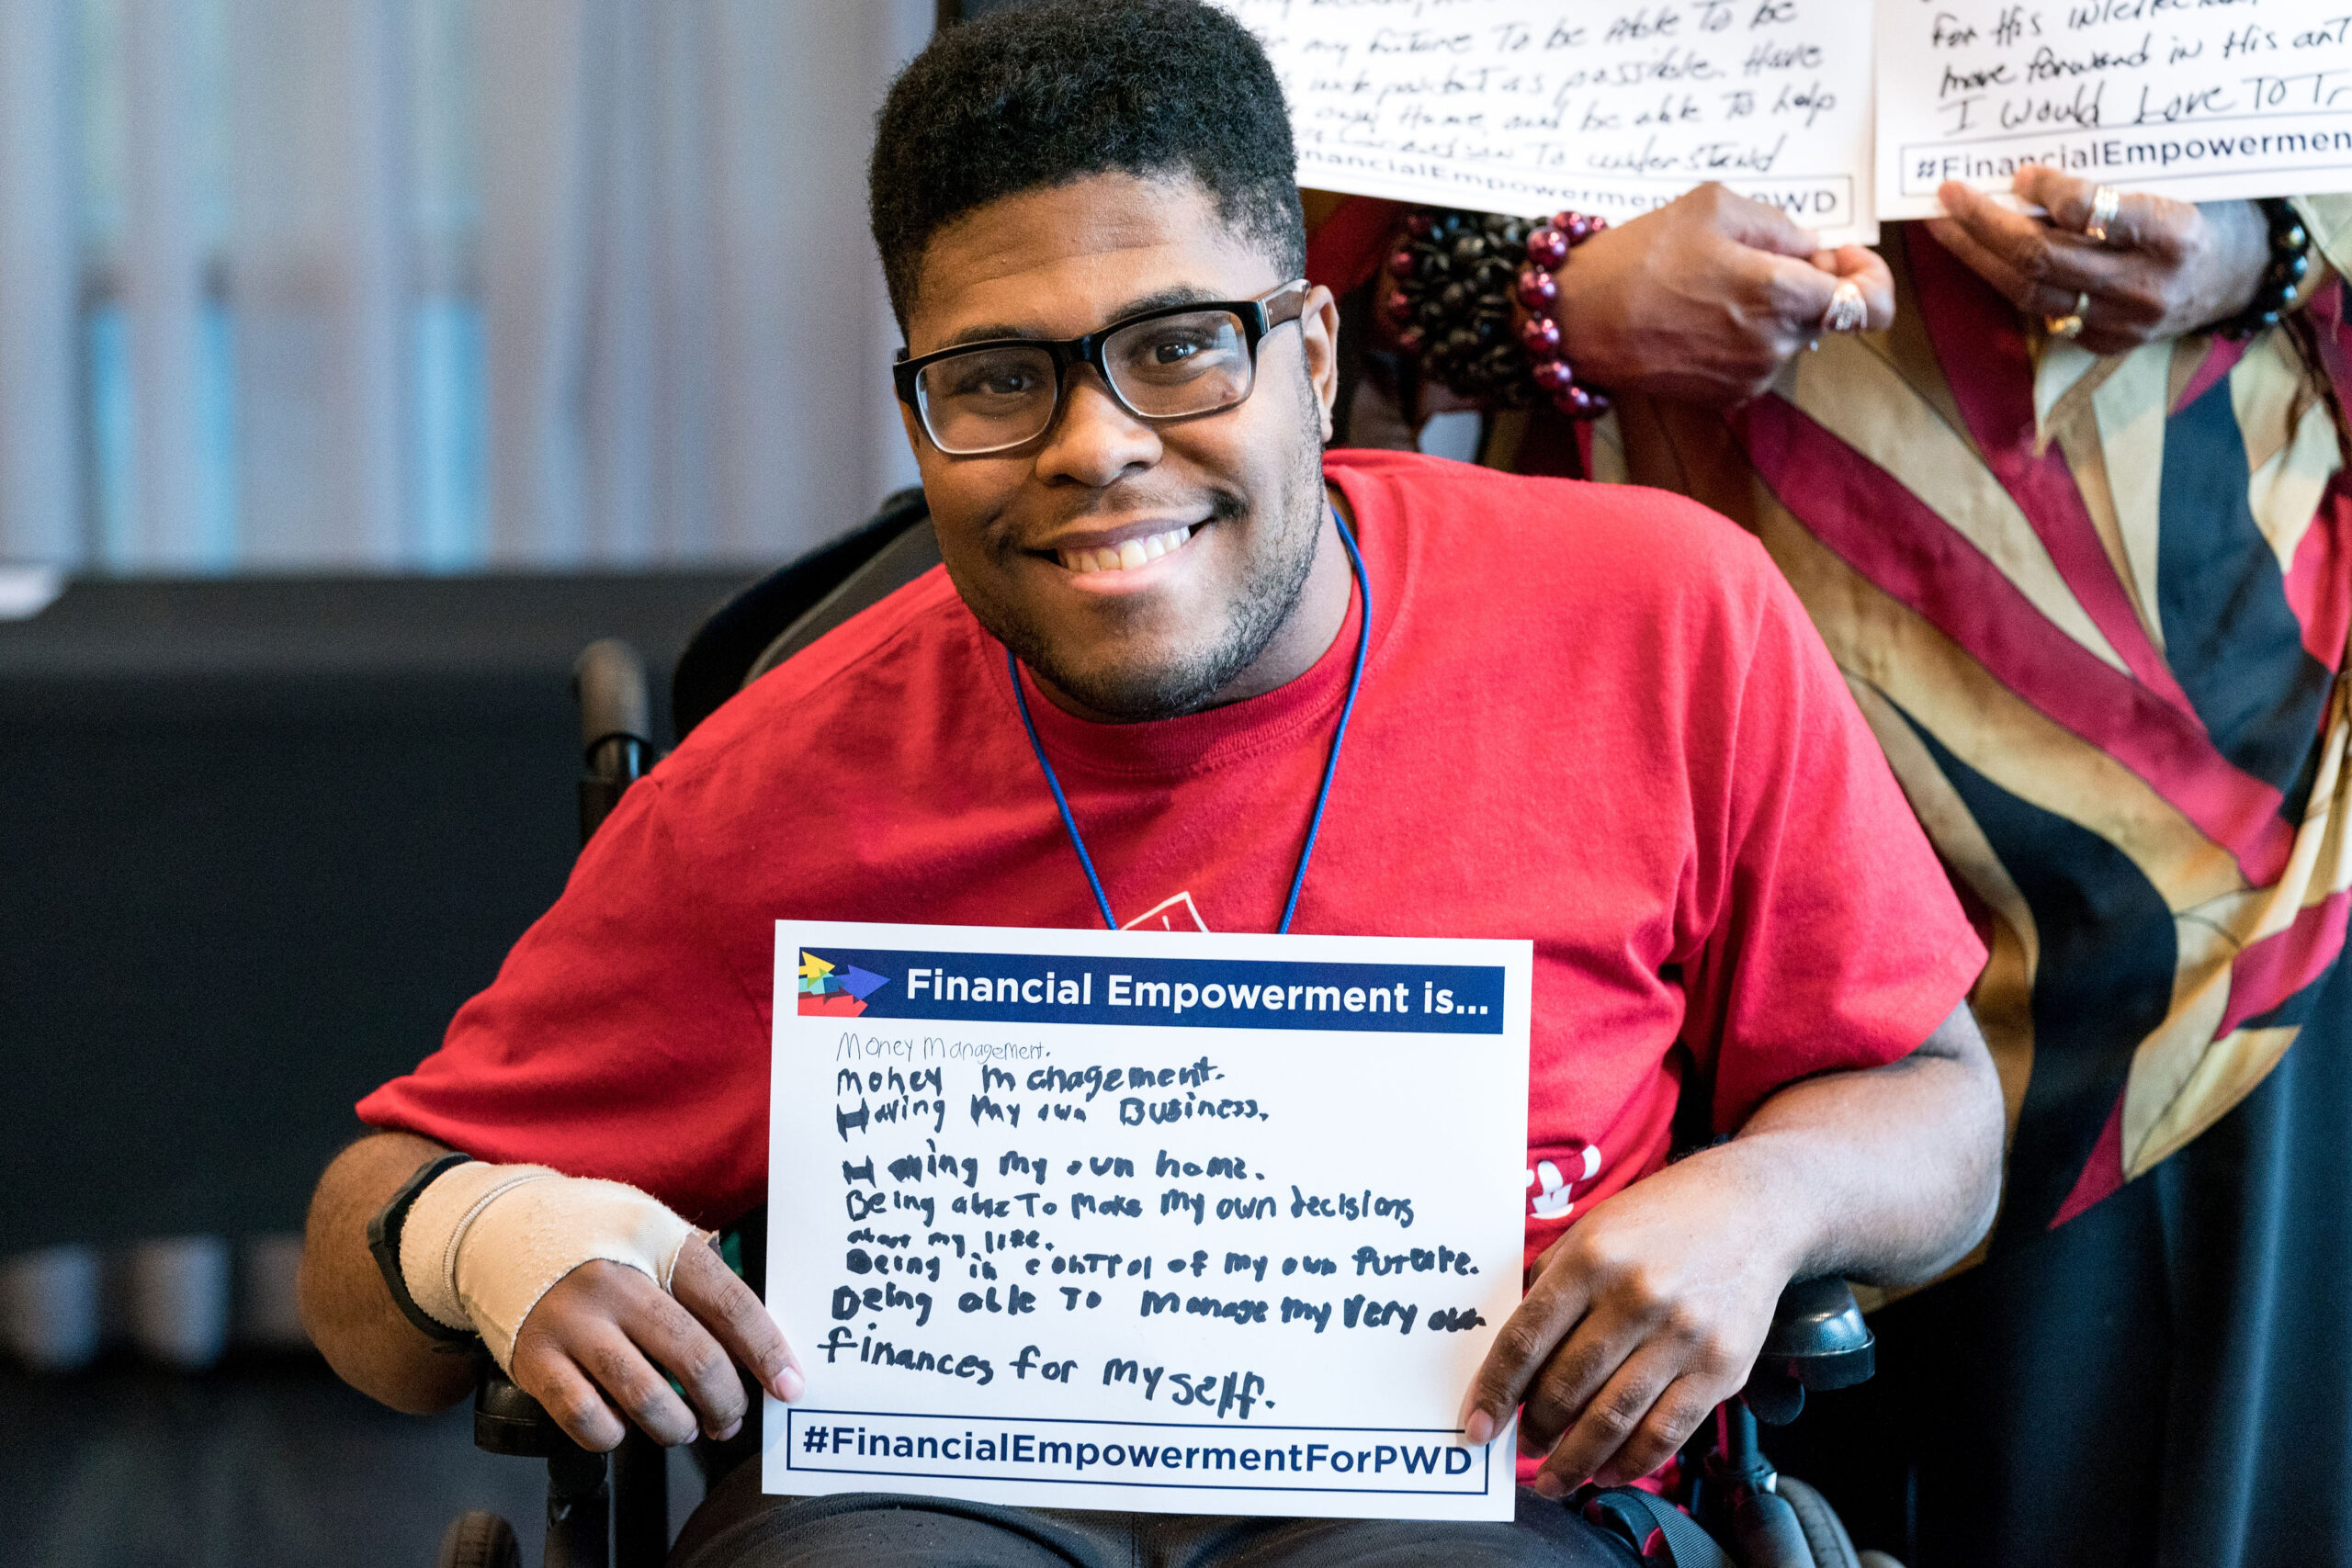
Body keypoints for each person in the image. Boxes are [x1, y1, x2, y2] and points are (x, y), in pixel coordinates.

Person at [296, 5, 2005, 1563]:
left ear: (1315, 356)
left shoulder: (1654, 616)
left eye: (1181, 346)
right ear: (917, 416)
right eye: (995, 378)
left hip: (1473, 1498)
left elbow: (1936, 1110)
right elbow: (364, 1240)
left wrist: (1767, 1201)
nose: (1095, 444)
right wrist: (495, 1242)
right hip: (931, 1499)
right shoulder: (795, 767)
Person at [1313, 158, 2352, 1566]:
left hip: (2195, 754)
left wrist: (2271, 245)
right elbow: (1253, 226)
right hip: (1628, 726)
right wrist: (1546, 296)